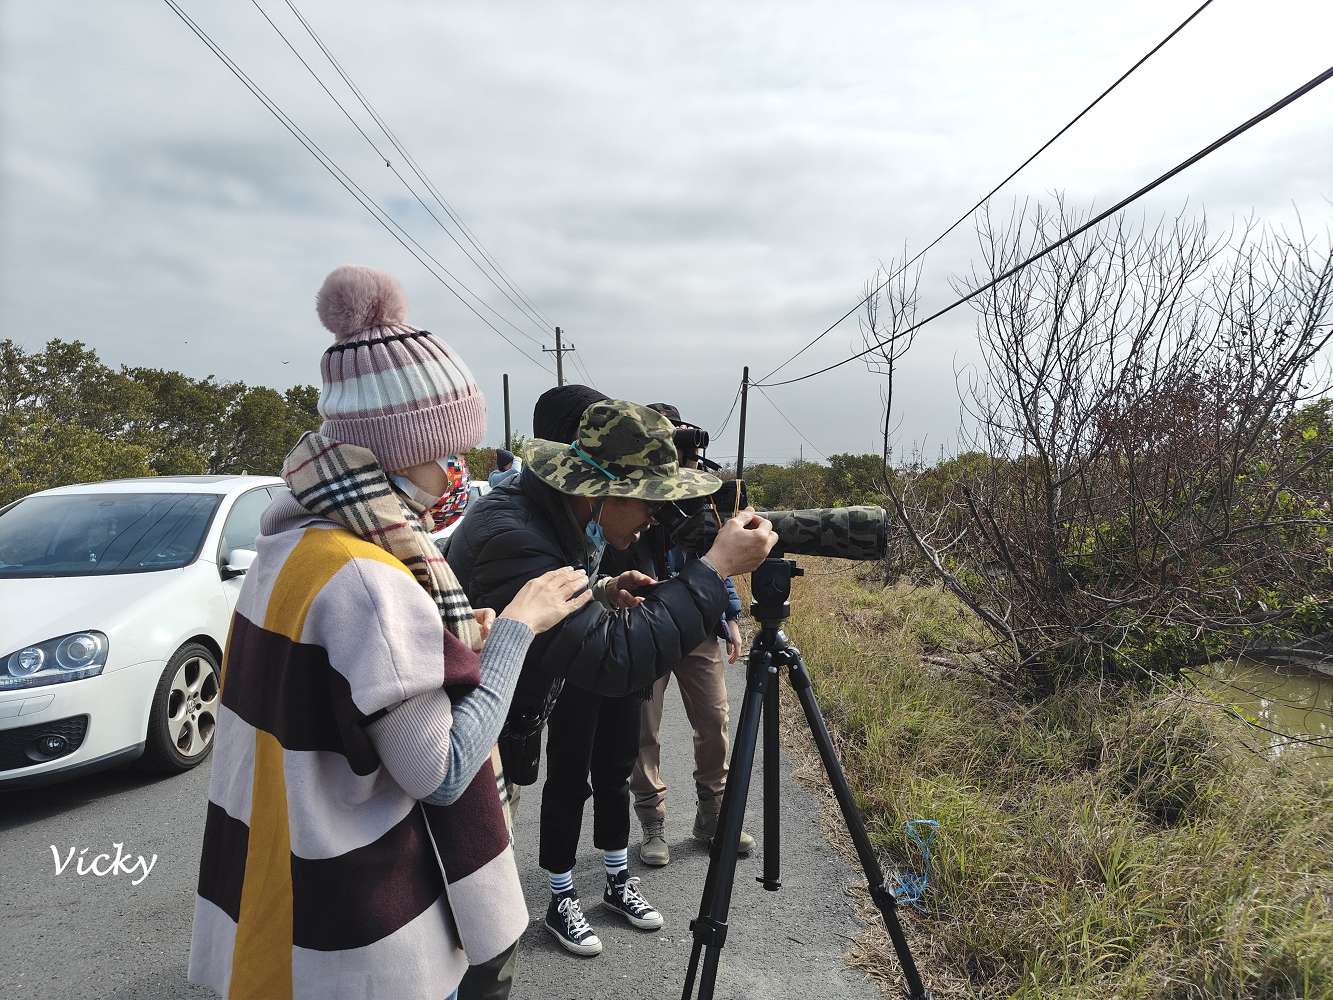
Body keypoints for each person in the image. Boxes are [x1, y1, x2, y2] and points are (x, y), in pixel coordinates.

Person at [188, 265, 590, 1000]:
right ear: (397, 449)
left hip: (287, 873)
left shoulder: (290, 545)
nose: (453, 471)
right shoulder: (372, 579)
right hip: (368, 914)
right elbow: (439, 773)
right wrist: (515, 634)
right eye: (444, 450)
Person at [447, 397, 778, 958]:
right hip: (456, 752)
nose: (654, 519)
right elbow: (611, 658)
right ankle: (550, 908)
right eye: (648, 502)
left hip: (484, 735)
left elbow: (558, 610)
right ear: (599, 489)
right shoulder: (515, 531)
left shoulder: (550, 516)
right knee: (474, 941)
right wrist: (714, 571)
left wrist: (600, 593)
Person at [631, 403, 755, 866]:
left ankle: (714, 815)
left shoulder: (705, 493)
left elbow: (717, 561)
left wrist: (731, 618)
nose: (684, 460)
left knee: (714, 722)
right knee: (643, 731)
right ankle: (653, 822)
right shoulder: (634, 490)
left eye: (686, 449)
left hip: (698, 627)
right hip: (645, 621)